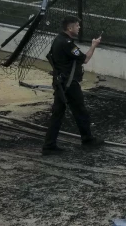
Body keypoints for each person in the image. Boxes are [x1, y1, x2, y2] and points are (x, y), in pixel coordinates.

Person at [42, 15, 105, 155]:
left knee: (57, 114)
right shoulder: (67, 43)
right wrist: (94, 46)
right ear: (70, 28)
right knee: (80, 111)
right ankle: (88, 139)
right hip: (69, 84)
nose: (79, 27)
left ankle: (49, 145)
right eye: (77, 25)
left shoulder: (58, 39)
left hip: (60, 83)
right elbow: (85, 59)